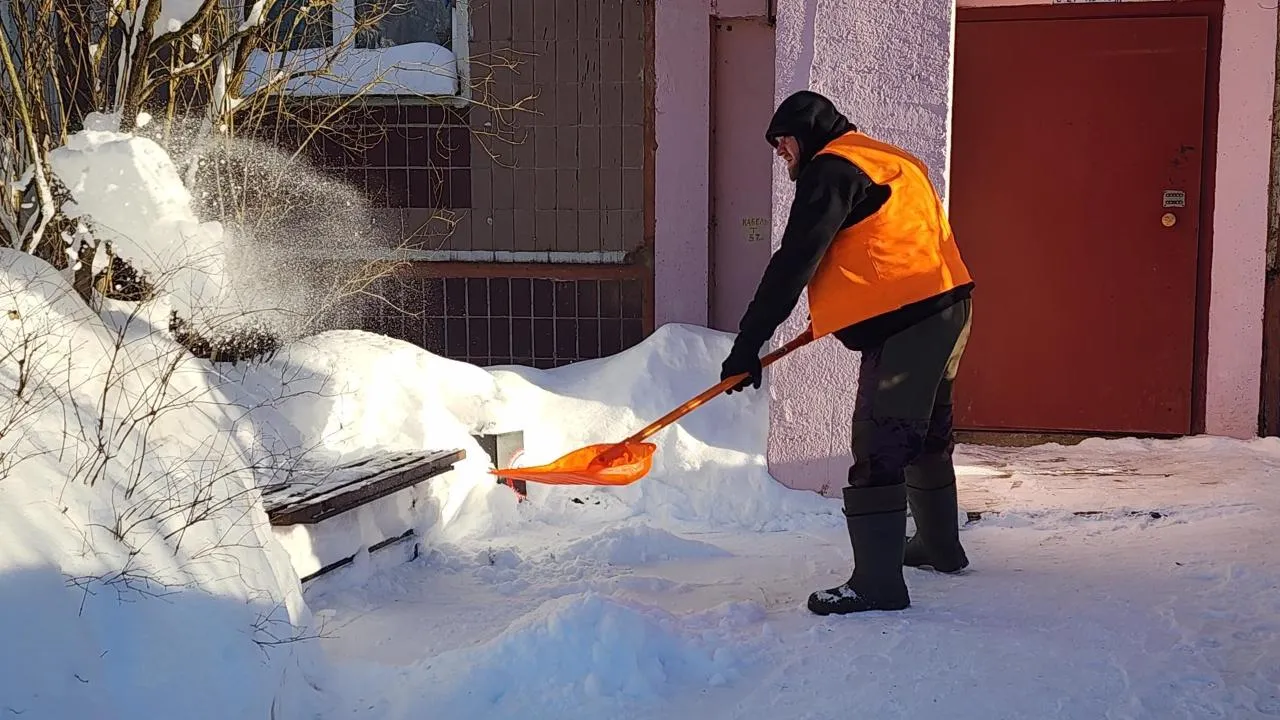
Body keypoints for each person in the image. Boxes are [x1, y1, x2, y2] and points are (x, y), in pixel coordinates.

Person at [720, 90, 976, 616]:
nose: (779, 151)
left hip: (910, 323)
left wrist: (748, 343)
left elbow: (794, 262)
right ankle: (939, 548)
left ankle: (877, 584)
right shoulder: (886, 157)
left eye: (782, 140)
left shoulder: (831, 170)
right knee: (925, 433)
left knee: (880, 442)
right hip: (949, 309)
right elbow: (885, 241)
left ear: (806, 132)